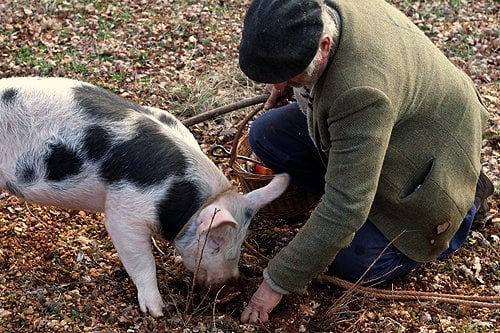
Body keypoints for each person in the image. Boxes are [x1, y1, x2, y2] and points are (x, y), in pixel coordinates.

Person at [237, 0, 494, 324]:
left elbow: (346, 207)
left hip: (435, 152)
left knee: (352, 260)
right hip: (403, 118)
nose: (277, 86)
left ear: (325, 46)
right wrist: (291, 80)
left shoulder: (360, 92)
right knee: (265, 133)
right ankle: (358, 177)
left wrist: (276, 283)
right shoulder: (317, 14)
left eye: (290, 74)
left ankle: (465, 203)